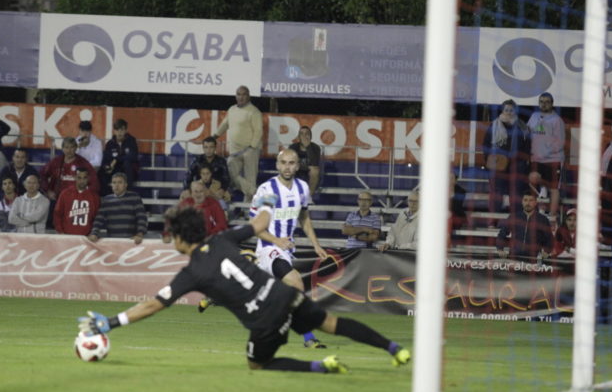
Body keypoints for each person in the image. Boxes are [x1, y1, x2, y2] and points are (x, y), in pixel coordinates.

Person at [77, 205, 411, 374]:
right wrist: (267, 200)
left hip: (264, 319)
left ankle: (321, 367)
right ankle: (394, 348)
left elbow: (153, 305)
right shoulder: (221, 239)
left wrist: (111, 322)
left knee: (258, 365)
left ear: (180, 238)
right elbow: (261, 223)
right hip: (284, 295)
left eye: (172, 235)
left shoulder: (191, 273)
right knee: (333, 324)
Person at [250, 148, 329, 348]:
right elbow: (256, 227)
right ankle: (309, 338)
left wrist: (316, 245)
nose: (287, 166)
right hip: (268, 248)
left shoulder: (302, 188)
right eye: (283, 162)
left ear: (297, 165)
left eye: (291, 163)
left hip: (285, 250)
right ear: (277, 165)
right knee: (296, 284)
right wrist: (277, 241)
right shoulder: (267, 190)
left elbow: (304, 217)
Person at [215, 85, 263, 203]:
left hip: (250, 150)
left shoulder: (254, 111)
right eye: (239, 94)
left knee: (250, 179)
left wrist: (252, 147)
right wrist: (215, 136)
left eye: (244, 94)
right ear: (236, 96)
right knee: (230, 175)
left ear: (248, 96)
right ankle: (254, 191)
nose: (241, 97)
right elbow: (225, 124)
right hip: (234, 150)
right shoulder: (232, 109)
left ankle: (247, 211)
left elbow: (258, 130)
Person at [482, 99, 531, 215]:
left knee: (516, 194)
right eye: (506, 109)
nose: (509, 112)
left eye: (511, 110)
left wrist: (523, 161)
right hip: (498, 165)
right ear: (502, 110)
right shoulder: (494, 125)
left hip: (517, 165)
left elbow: (527, 146)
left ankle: (516, 220)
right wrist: (490, 161)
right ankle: (493, 221)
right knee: (497, 193)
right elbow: (486, 144)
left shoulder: (522, 126)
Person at [527, 92, 565, 222]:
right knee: (533, 180)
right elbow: (527, 133)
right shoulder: (534, 116)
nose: (544, 104)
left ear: (552, 104)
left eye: (547, 101)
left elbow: (560, 142)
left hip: (553, 159)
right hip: (536, 159)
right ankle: (540, 207)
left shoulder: (557, 120)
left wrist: (545, 152)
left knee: (554, 188)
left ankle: (552, 217)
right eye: (541, 101)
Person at [89, 172, 147, 243]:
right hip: (112, 241)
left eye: (120, 182)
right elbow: (99, 219)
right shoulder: (106, 200)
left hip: (131, 241)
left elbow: (142, 218)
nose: (116, 185)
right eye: (114, 182)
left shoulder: (135, 197)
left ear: (125, 185)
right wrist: (94, 233)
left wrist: (140, 234)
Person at [164, 180, 229, 242]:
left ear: (205, 193)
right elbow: (171, 218)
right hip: (189, 240)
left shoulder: (214, 204)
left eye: (201, 191)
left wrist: (209, 236)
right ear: (191, 193)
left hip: (210, 239)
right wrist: (167, 234)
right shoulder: (185, 203)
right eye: (196, 191)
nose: (198, 194)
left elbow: (222, 224)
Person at [496, 191, 553, 260]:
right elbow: (502, 234)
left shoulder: (543, 219)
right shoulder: (514, 217)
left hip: (534, 259)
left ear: (535, 202)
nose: (528, 203)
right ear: (522, 202)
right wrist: (500, 249)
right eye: (525, 200)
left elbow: (550, 239)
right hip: (514, 257)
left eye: (531, 200)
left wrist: (547, 252)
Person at [40, 136, 99, 203]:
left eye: (72, 147)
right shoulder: (56, 162)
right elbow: (42, 174)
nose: (69, 150)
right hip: (57, 200)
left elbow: (94, 183)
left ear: (76, 148)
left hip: (76, 201)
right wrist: (48, 191)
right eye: (66, 147)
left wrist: (84, 194)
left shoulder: (83, 163)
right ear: (62, 148)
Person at [53, 169, 100, 236]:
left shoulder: (94, 197)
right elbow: (57, 214)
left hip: (86, 238)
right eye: (79, 178)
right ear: (75, 177)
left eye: (84, 178)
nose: (82, 181)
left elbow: (97, 218)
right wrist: (60, 232)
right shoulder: (65, 194)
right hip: (66, 237)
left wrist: (92, 233)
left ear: (88, 178)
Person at [99, 118, 139, 190]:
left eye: (122, 130)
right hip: (115, 168)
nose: (119, 132)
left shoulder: (131, 141)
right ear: (114, 131)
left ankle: (128, 193)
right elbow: (106, 159)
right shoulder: (110, 144)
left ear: (126, 131)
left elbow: (133, 156)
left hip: (129, 169)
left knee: (127, 164)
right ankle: (105, 197)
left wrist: (116, 159)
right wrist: (107, 167)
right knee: (102, 171)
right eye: (117, 130)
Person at [289, 125, 322, 196]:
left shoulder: (316, 147)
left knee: (315, 170)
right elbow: (291, 162)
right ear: (298, 137)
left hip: (309, 171)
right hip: (297, 170)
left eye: (307, 134)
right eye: (301, 134)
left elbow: (314, 163)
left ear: (310, 136)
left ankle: (309, 197)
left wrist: (308, 147)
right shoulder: (293, 147)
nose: (304, 136)